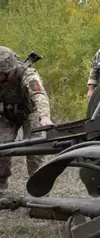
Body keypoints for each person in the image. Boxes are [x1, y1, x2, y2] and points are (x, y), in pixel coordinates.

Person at [0, 46, 53, 197]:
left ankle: (40, 193)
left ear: (9, 71)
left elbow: (39, 95)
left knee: (35, 152)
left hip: (32, 113)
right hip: (7, 115)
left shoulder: (28, 75)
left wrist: (44, 116)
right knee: (1, 150)